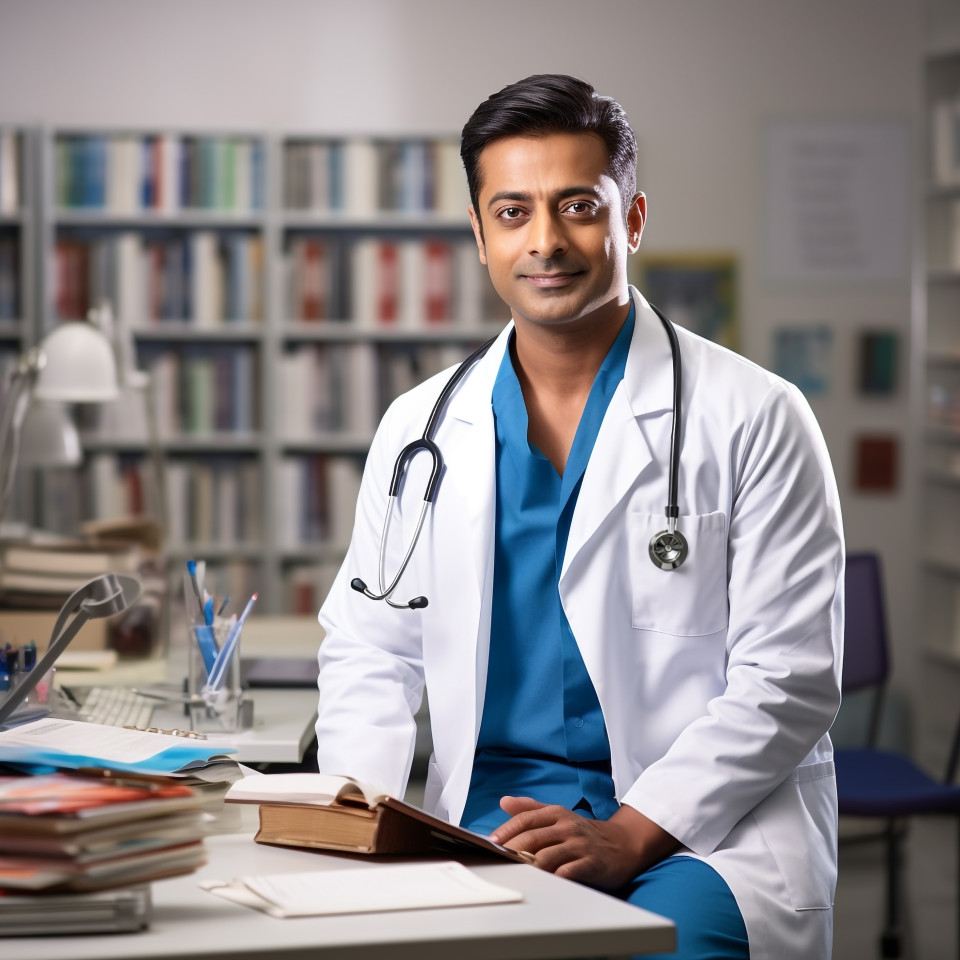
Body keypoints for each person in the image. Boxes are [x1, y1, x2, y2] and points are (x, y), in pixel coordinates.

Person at [315, 74, 844, 960]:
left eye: (578, 207)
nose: (546, 241)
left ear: (631, 220)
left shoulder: (756, 415)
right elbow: (371, 649)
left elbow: (789, 676)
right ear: (479, 235)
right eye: (512, 212)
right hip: (489, 818)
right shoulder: (421, 428)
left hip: (705, 832)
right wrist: (358, 818)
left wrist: (632, 832)